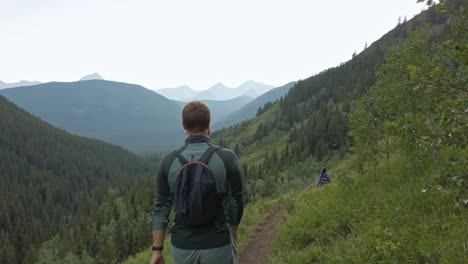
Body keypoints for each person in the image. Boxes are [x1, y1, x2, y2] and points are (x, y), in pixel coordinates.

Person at [150, 101, 244, 264]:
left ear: (183, 125)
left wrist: (157, 251)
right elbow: (236, 202)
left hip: (182, 247)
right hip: (218, 243)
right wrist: (232, 235)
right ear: (209, 124)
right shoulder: (227, 158)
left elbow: (161, 207)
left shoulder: (169, 162)